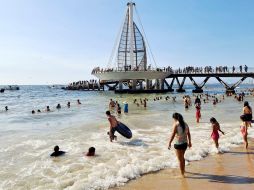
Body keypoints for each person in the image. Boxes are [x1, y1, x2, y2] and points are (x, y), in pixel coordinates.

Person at [168, 113, 192, 177]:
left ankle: (182, 174)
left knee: (180, 160)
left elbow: (173, 134)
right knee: (182, 158)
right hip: (185, 144)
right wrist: (190, 142)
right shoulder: (186, 124)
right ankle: (183, 170)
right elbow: (189, 134)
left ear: (175, 118)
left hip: (178, 144)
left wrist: (169, 143)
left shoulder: (176, 124)